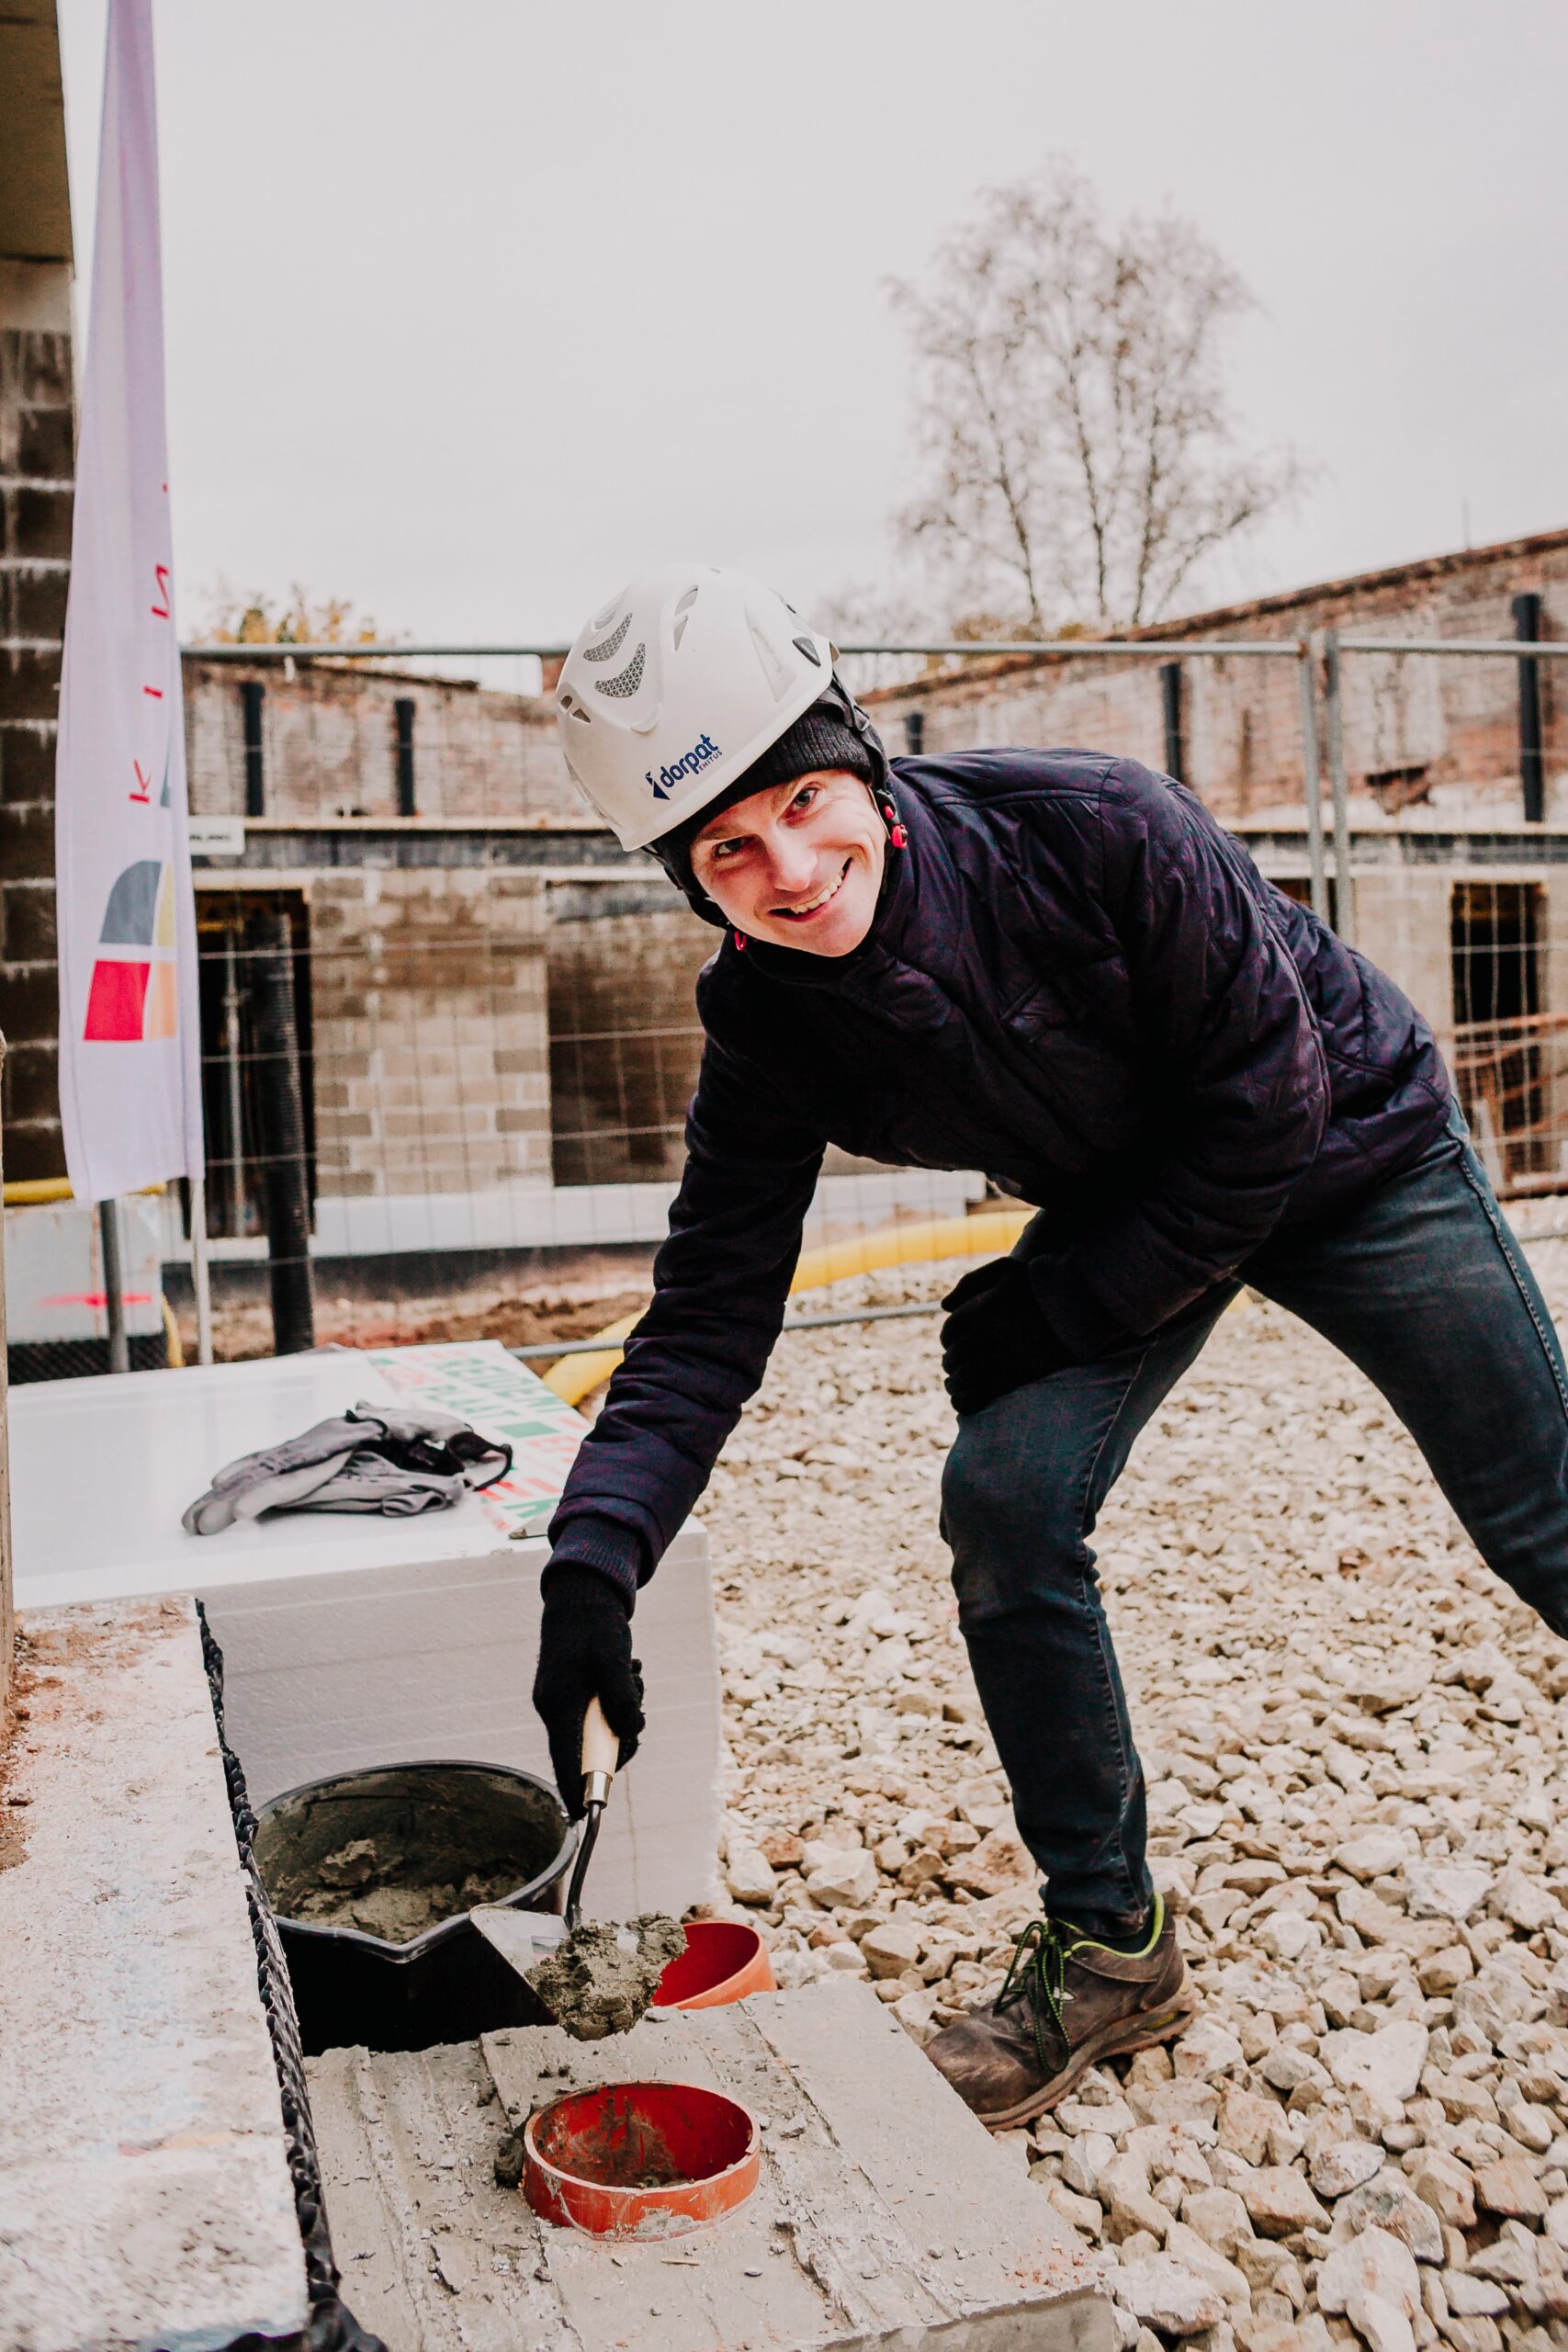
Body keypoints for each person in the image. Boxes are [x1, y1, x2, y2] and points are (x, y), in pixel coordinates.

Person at [532, 562, 1568, 2127]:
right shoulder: (766, 1019)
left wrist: (1068, 1306)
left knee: (1541, 1511)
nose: (791, 870)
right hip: (1127, 1199)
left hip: (1349, 1147)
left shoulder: (1096, 826)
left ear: (862, 763)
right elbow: (708, 1314)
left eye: (804, 802)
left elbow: (1267, 1110)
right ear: (690, 881)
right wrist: (592, 1568)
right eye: (728, 849)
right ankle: (1112, 1952)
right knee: (1006, 1501)